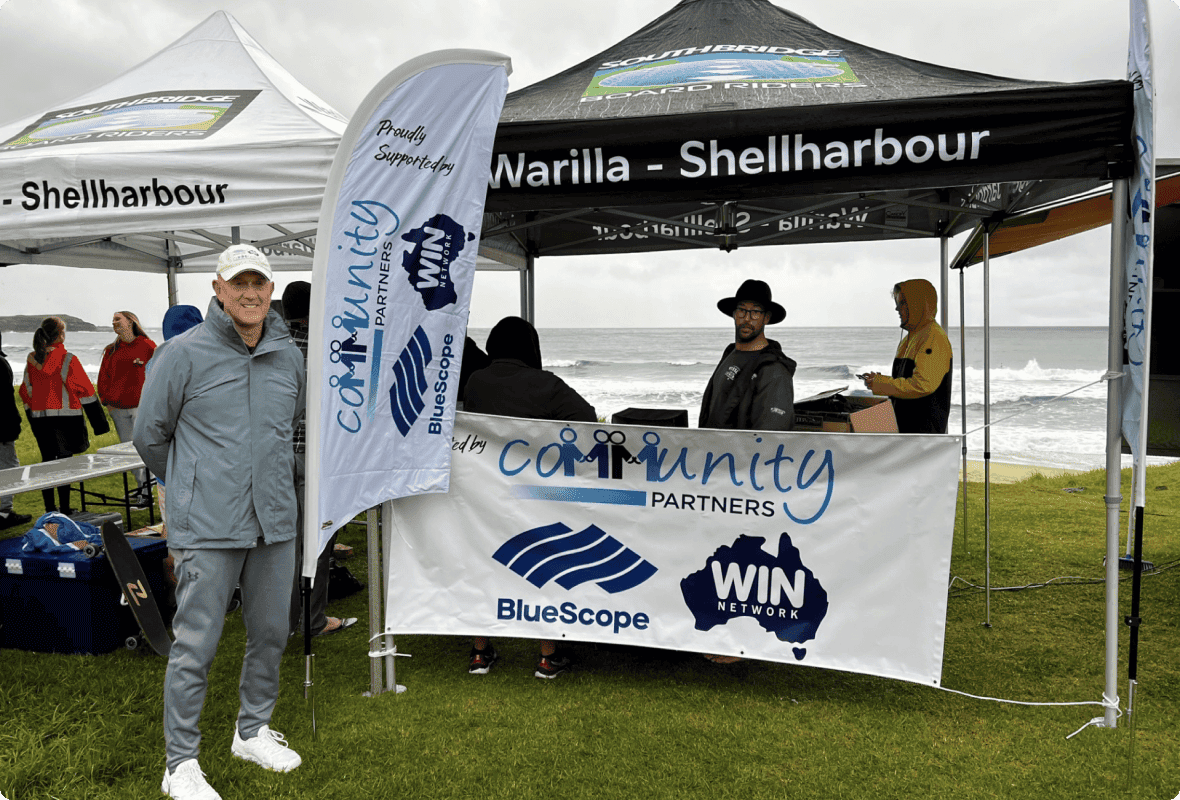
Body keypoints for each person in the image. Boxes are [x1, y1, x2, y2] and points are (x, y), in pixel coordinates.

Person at [134, 244, 305, 800]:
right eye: (239, 283)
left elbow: (287, 426)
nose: (250, 293)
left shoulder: (289, 356)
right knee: (196, 645)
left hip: (274, 520)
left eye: (259, 283)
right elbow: (149, 436)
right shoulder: (182, 353)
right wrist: (192, 485)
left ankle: (251, 731)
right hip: (208, 524)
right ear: (218, 288)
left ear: (271, 290)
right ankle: (179, 763)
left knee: (272, 633)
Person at [463, 316, 596, 679]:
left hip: (484, 491)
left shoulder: (476, 382)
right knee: (543, 567)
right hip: (533, 493)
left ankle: (480, 652)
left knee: (482, 566)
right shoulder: (546, 384)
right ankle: (547, 657)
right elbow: (586, 420)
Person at [283, 280, 357, 638]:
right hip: (312, 456)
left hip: (276, 453)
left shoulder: (272, 347)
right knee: (317, 541)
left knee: (283, 544)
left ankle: (284, 620)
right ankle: (311, 620)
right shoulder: (325, 350)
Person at [19, 317, 110, 515]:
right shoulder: (67, 359)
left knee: (47, 463)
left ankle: (50, 509)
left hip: (41, 420)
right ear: (60, 335)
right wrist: (100, 424)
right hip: (67, 420)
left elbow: (25, 391)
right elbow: (85, 390)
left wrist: (33, 415)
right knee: (64, 464)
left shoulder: (32, 359)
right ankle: (65, 509)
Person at [699, 279, 797, 432]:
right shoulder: (729, 354)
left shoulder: (774, 371)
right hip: (713, 446)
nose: (746, 318)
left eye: (755, 312)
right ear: (734, 314)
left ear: (766, 318)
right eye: (742, 310)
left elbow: (770, 436)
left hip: (740, 448)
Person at [861, 279, 953, 434]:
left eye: (903, 303)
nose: (897, 309)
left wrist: (882, 384)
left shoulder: (934, 338)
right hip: (906, 428)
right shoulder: (910, 338)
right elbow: (905, 381)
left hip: (923, 433)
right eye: (897, 303)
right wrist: (879, 380)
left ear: (919, 304)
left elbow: (922, 385)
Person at [97, 310, 156, 507]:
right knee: (128, 452)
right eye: (112, 320)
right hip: (118, 409)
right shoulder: (111, 350)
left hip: (141, 407)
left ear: (131, 322)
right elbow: (103, 377)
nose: (114, 322)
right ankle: (140, 488)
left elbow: (158, 373)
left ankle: (147, 492)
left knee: (144, 449)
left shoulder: (147, 346)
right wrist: (106, 401)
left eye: (118, 319)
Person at [0, 332, 33, 529]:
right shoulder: (1, 364)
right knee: (9, 468)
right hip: (2, 427)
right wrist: (14, 423)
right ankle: (4, 512)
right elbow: (5, 400)